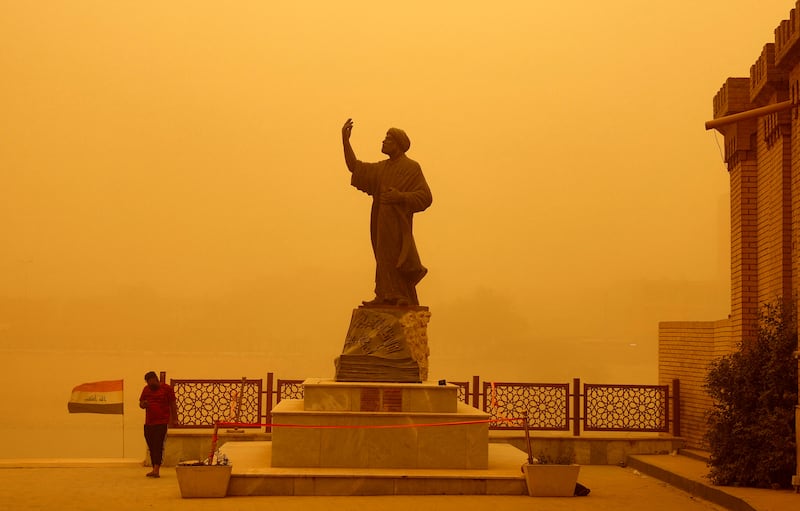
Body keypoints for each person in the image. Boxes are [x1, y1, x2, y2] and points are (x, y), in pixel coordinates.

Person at [341, 118, 433, 306]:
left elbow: (425, 197)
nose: (383, 142)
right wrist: (345, 141)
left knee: (396, 257)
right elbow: (355, 167)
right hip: (380, 223)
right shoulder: (381, 169)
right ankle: (384, 294)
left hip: (398, 226)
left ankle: (400, 295)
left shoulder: (411, 168)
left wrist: (401, 197)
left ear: (398, 144)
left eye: (388, 139)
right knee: (383, 257)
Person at [139, 371, 176, 478]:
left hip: (162, 422)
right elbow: (141, 403)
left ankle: (156, 469)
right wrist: (143, 404)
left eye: (151, 382)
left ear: (156, 379)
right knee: (151, 445)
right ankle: (154, 468)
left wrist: (175, 419)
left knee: (158, 445)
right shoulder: (146, 390)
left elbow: (173, 404)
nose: (149, 385)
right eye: (147, 382)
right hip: (149, 422)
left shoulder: (167, 389)